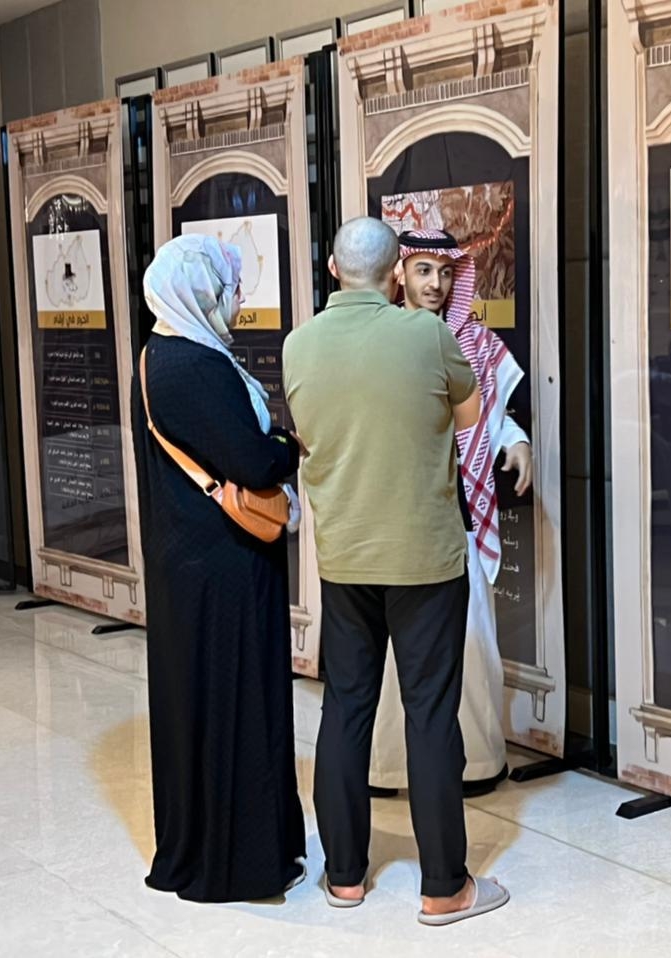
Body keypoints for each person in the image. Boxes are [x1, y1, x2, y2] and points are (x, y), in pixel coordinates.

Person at [283, 217, 510, 925]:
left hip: (345, 558)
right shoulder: (426, 336)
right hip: (425, 559)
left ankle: (345, 877)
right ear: (394, 276)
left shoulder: (298, 344)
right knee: (430, 715)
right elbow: (470, 417)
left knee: (345, 708)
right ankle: (444, 887)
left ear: (331, 269)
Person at [131, 233, 306, 903]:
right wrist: (287, 444)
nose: (235, 302)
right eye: (228, 290)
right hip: (225, 567)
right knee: (238, 702)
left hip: (183, 560)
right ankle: (240, 861)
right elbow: (254, 461)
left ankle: (195, 846)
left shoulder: (156, 354)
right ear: (200, 293)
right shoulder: (198, 366)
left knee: (193, 704)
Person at [369, 229, 532, 799]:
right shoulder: (380, 340)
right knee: (391, 647)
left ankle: (475, 763)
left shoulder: (476, 344)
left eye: (445, 272)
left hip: (459, 515)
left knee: (470, 637)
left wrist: (516, 441)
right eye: (423, 271)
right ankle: (388, 768)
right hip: (397, 512)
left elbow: (492, 417)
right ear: (400, 275)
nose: (435, 283)